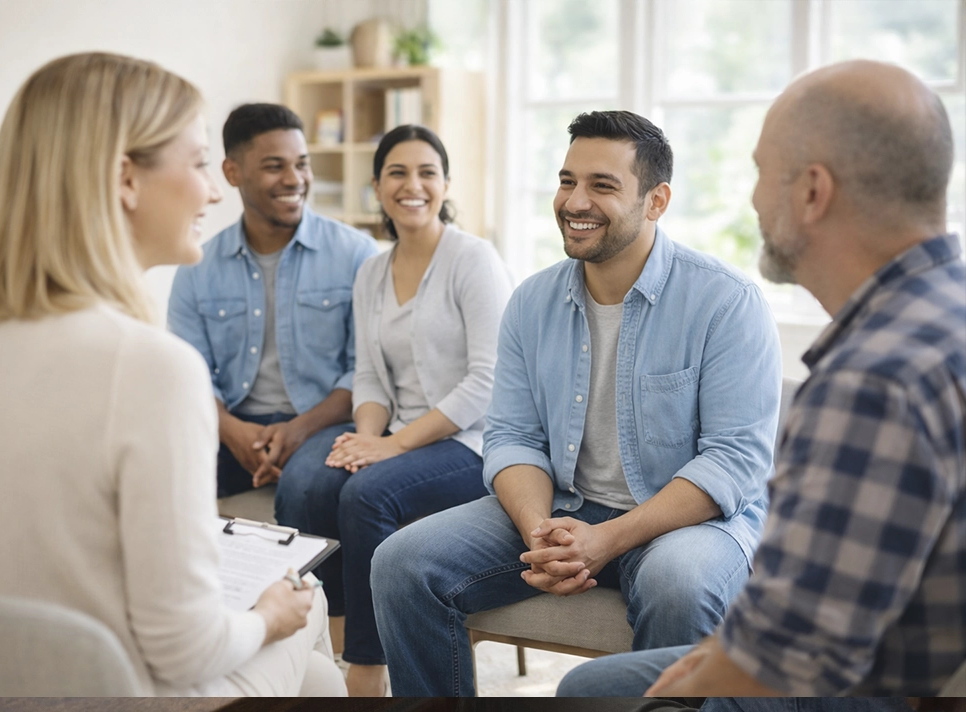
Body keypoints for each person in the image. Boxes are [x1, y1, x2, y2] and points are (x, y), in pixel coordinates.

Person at [556, 60, 965, 698]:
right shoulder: (944, 313)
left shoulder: (873, 380)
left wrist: (685, 686)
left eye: (759, 172)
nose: (751, 198)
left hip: (870, 687)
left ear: (810, 192)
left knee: (589, 692)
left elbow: (805, 644)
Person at [0, 53, 345, 696]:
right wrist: (270, 615)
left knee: (320, 681)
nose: (214, 191)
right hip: (117, 689)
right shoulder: (149, 369)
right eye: (196, 164)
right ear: (125, 178)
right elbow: (185, 649)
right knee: (307, 599)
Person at [371, 110, 782, 696]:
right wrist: (541, 531)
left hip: (684, 524)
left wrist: (607, 541)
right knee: (401, 562)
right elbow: (512, 437)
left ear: (656, 201)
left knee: (681, 586)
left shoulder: (726, 302)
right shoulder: (531, 302)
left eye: (602, 185)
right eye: (567, 181)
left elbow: (734, 462)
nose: (575, 201)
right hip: (566, 505)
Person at [272, 124, 512, 696]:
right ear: (377, 186)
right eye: (397, 173)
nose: (413, 186)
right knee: (312, 484)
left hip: (471, 441)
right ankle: (319, 644)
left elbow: (489, 379)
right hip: (398, 434)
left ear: (446, 184)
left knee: (368, 493)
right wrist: (365, 439)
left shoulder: (472, 259)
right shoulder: (372, 270)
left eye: (427, 172)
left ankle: (368, 666)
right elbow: (369, 375)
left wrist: (391, 448)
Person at [167, 103, 378, 512]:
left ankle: (301, 580)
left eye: (302, 164)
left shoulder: (357, 255)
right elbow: (188, 369)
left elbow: (365, 368)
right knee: (160, 477)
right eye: (274, 166)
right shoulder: (197, 266)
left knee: (304, 487)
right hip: (232, 424)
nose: (294, 179)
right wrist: (231, 431)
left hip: (324, 424)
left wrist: (300, 429)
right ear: (232, 173)